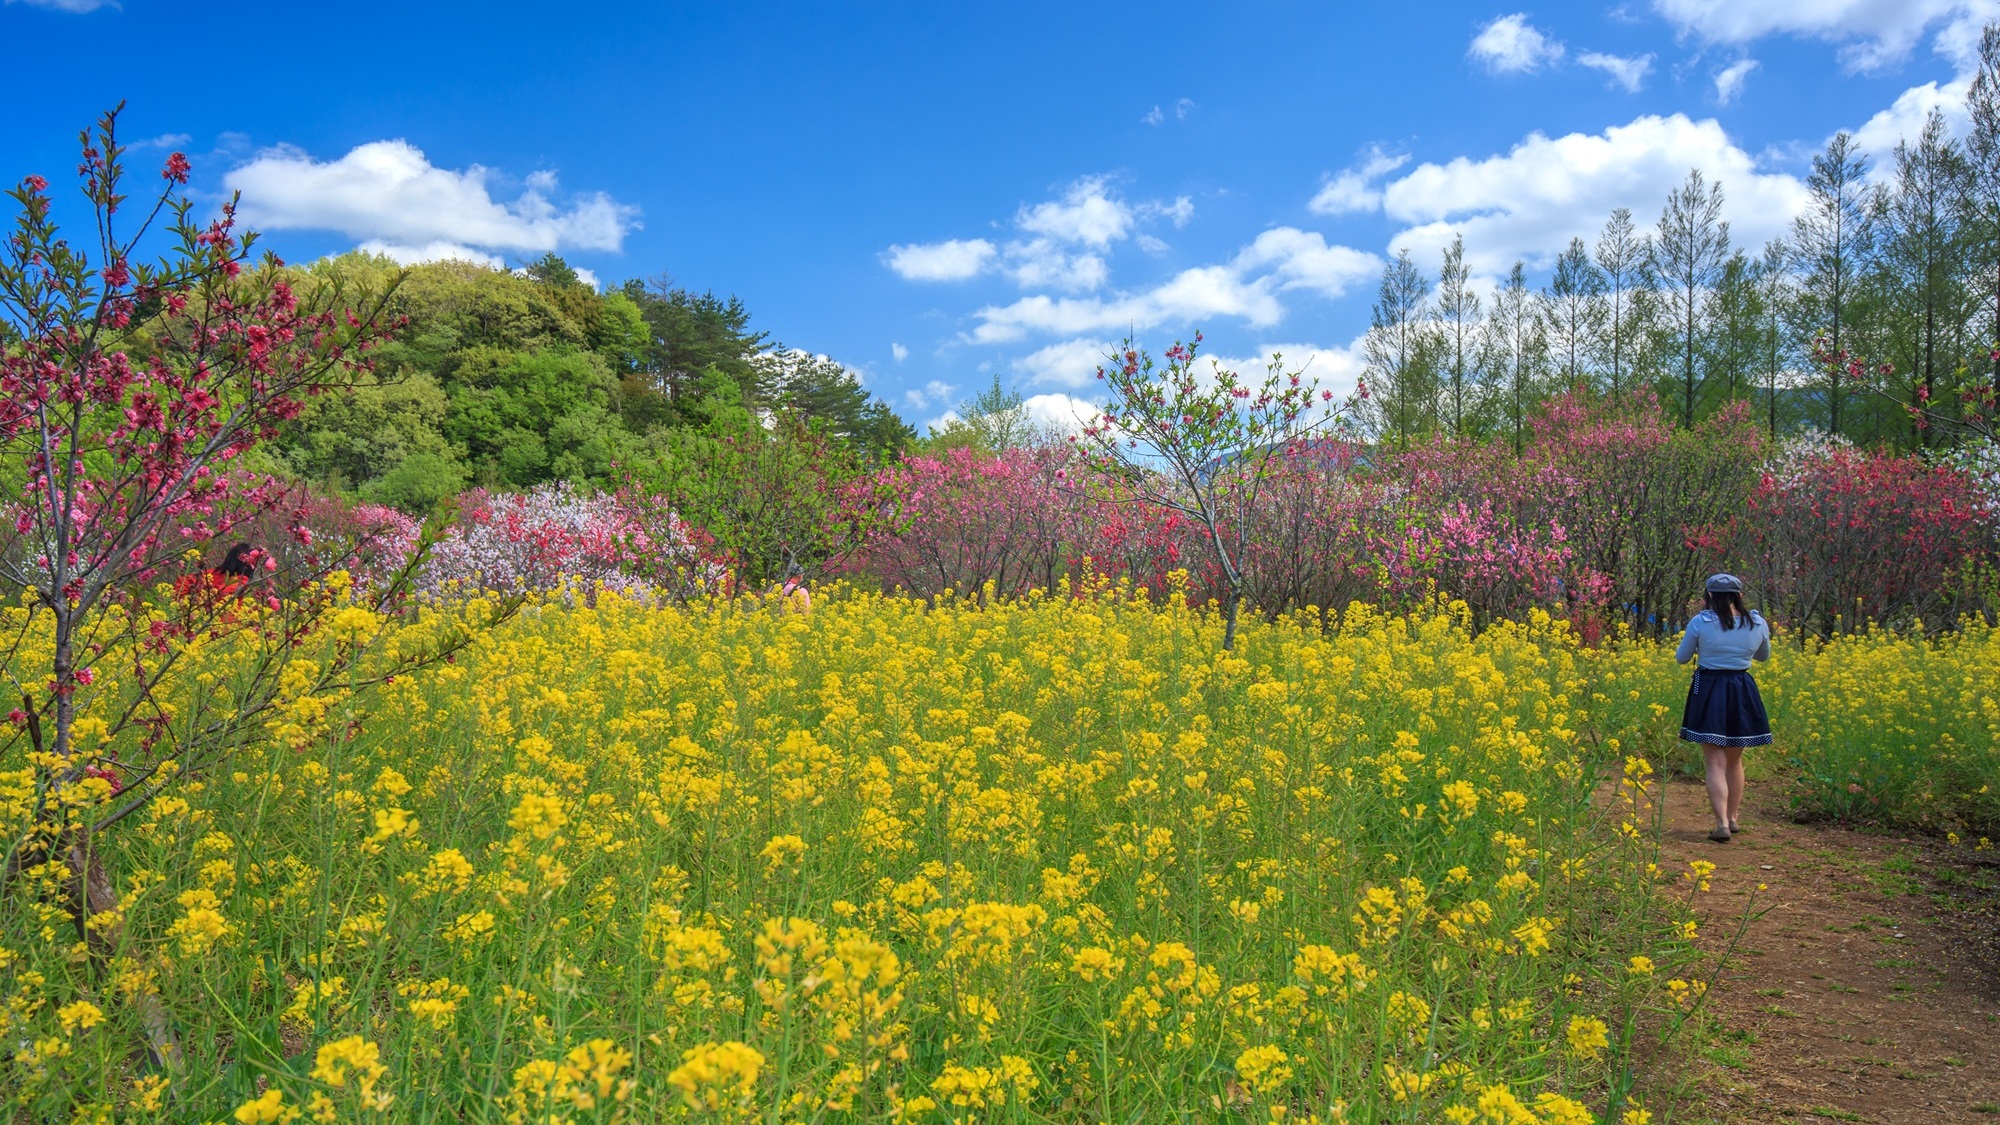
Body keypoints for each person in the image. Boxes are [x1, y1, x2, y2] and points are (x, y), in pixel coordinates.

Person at [1674, 573, 1773, 843]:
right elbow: (1763, 656)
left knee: (1714, 761)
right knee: (1735, 759)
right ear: (1739, 596)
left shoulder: (1700, 622)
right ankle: (1732, 818)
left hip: (1708, 688)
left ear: (1708, 597)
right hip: (1742, 688)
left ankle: (1721, 825)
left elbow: (1682, 658)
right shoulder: (1757, 622)